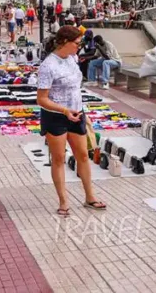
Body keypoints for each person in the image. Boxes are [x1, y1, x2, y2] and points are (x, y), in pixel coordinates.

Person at [37, 26, 106, 217]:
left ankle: (89, 197)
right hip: (56, 115)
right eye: (77, 43)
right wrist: (64, 110)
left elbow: (75, 88)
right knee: (58, 159)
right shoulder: (48, 65)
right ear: (65, 42)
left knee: (83, 155)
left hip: (77, 113)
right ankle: (63, 201)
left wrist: (80, 110)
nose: (79, 47)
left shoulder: (73, 59)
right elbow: (41, 99)